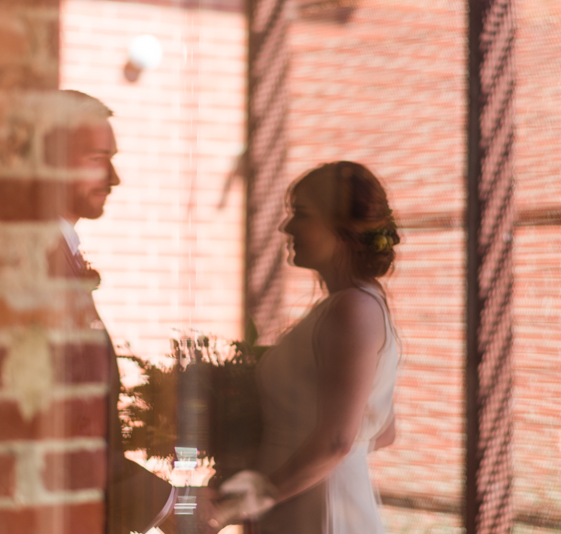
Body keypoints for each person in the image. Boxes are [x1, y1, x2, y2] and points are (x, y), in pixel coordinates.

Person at [210, 161, 401, 534]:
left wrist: (235, 506)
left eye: (301, 214)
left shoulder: (354, 309)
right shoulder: (355, 305)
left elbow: (336, 441)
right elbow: (382, 431)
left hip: (319, 513)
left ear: (343, 227)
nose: (287, 227)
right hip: (300, 502)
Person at [45, 89, 176, 534]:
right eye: (98, 158)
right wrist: (167, 505)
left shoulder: (60, 254)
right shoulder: (37, 262)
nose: (115, 178)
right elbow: (60, 430)